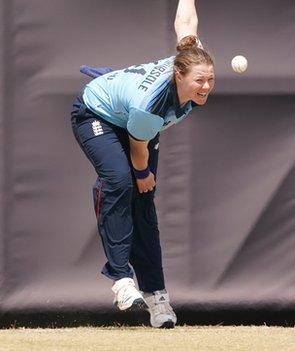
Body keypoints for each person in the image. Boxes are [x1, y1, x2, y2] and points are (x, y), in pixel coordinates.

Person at [70, 0, 214, 329]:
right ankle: (121, 279)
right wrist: (142, 173)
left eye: (210, 79)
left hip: (133, 122)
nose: (205, 86)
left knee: (143, 204)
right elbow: (138, 147)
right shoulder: (151, 105)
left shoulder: (190, 56)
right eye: (199, 81)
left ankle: (156, 296)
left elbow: (186, 22)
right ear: (178, 76)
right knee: (121, 181)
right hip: (95, 113)